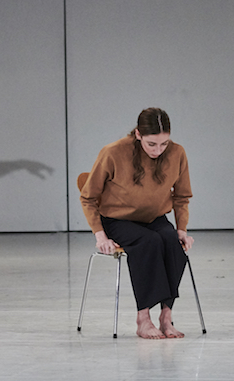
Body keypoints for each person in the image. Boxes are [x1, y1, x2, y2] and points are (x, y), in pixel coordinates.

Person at [79, 107, 194, 339]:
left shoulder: (177, 153)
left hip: (154, 218)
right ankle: (143, 318)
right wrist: (99, 235)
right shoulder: (112, 152)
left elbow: (182, 196)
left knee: (171, 242)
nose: (158, 150)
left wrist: (181, 229)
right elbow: (88, 197)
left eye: (164, 144)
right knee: (148, 242)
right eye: (152, 144)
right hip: (118, 220)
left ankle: (166, 316)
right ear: (138, 134)